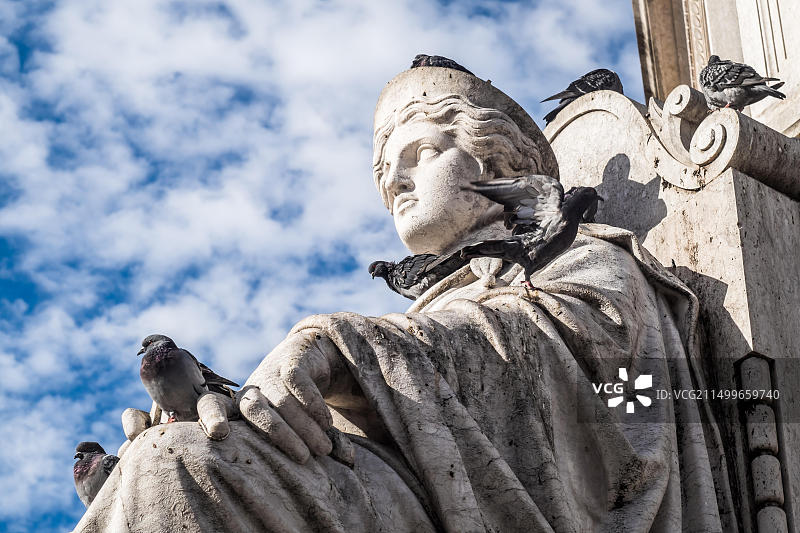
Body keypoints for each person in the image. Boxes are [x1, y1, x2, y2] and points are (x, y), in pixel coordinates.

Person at [74, 63, 734, 533]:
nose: (399, 181)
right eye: (389, 175)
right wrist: (248, 424)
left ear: (498, 164)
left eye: (419, 152)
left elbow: (587, 360)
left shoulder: (584, 257)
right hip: (405, 492)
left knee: (181, 470)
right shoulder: (426, 311)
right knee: (163, 463)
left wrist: (338, 346)